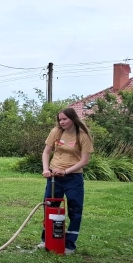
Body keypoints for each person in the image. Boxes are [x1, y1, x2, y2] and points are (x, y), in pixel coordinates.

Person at [40, 107, 94, 255]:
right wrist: (46, 169)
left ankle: (69, 244)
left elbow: (84, 161)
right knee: (50, 207)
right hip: (54, 177)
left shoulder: (83, 136)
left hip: (73, 178)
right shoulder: (56, 132)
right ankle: (47, 240)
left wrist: (65, 171)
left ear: (73, 119)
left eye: (65, 119)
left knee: (75, 210)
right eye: (60, 120)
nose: (62, 122)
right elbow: (46, 152)